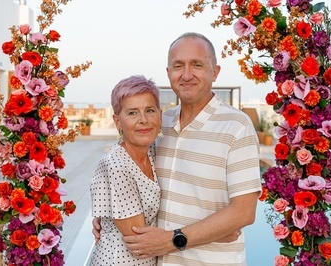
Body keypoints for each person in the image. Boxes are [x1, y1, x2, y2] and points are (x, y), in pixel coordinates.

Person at [93, 32, 261, 266]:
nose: (187, 74)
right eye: (178, 65)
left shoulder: (236, 126)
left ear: (215, 72)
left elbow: (243, 212)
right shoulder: (160, 124)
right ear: (169, 73)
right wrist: (110, 219)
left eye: (197, 65)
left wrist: (175, 240)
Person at [89, 75, 162, 265]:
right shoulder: (117, 165)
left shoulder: (153, 152)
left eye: (150, 110)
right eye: (132, 113)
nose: (143, 120)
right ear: (117, 121)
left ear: (160, 114)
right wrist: (210, 232)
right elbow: (140, 243)